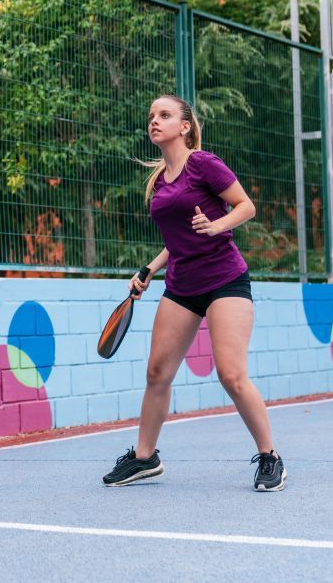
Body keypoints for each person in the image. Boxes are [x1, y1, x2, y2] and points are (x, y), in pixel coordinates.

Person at [101, 94, 286, 492]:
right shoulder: (159, 181)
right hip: (181, 284)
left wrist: (217, 226)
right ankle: (145, 458)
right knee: (157, 372)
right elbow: (179, 238)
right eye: (151, 116)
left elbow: (245, 206)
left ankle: (270, 458)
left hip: (224, 280)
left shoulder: (203, 163)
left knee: (232, 374)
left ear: (184, 126)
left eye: (164, 115)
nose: (155, 121)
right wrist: (150, 268)